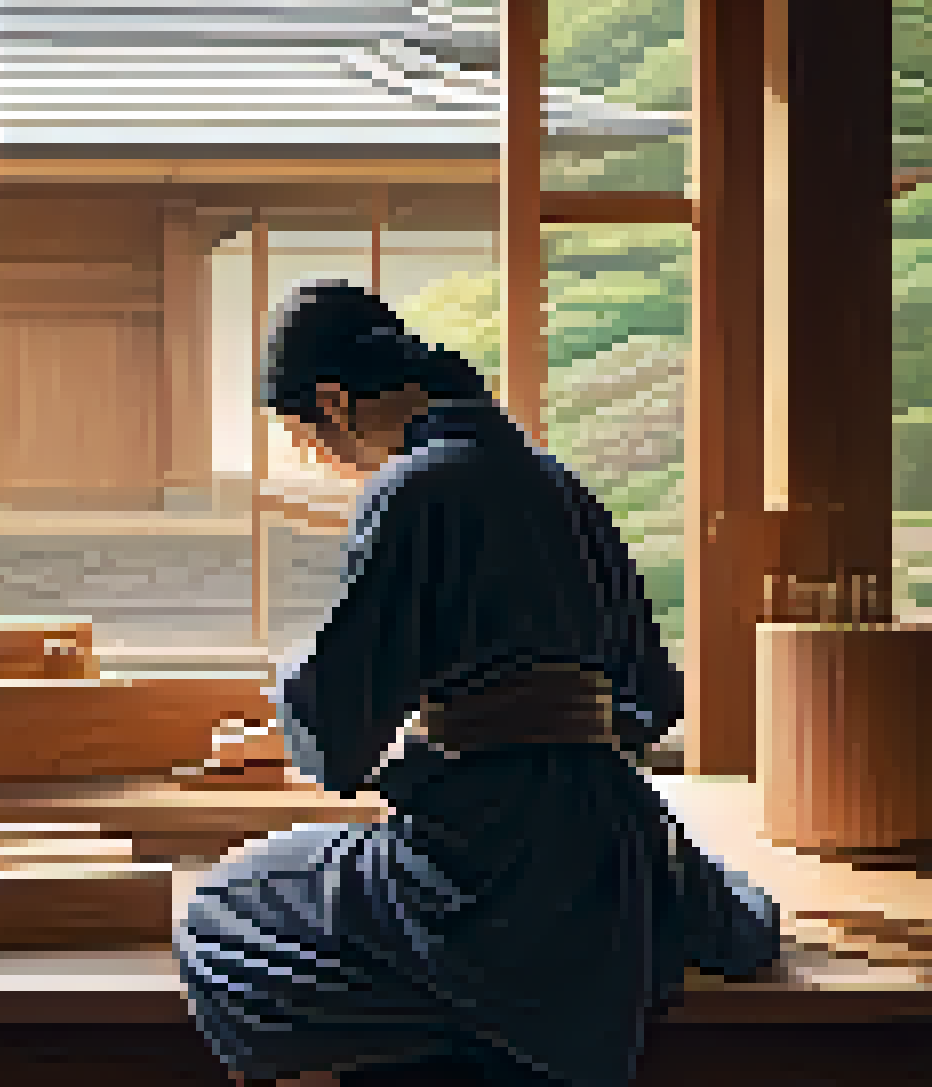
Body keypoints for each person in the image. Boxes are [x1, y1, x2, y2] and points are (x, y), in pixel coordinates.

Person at [175, 280, 779, 1087]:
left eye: (300, 434)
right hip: (608, 842)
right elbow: (652, 701)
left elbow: (340, 743)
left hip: (487, 848)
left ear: (334, 402)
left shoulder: (413, 491)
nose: (311, 457)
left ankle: (446, 1026)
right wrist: (536, 719)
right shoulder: (561, 486)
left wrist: (293, 685)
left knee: (219, 911)